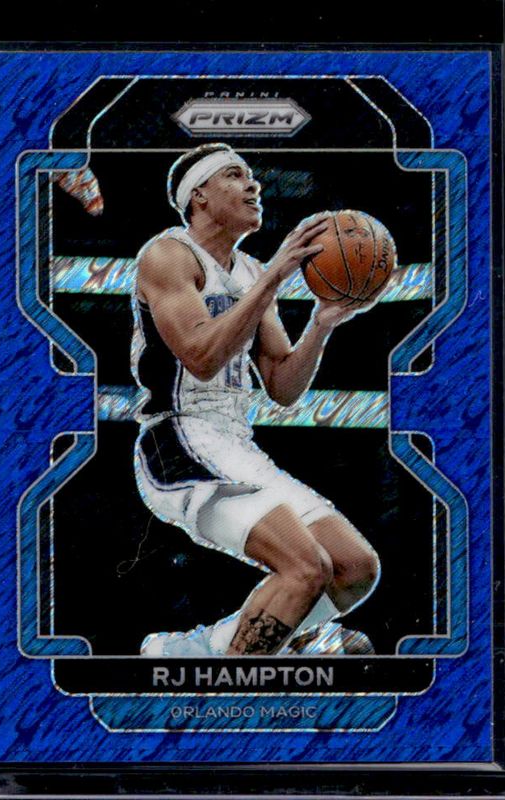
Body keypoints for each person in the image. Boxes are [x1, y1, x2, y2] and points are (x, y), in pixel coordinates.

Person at [131, 143, 381, 657]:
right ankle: (233, 683)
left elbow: (283, 388)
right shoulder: (168, 255)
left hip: (234, 443)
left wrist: (321, 324)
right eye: (234, 175)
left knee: (355, 567)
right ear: (199, 195)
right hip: (178, 440)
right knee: (305, 566)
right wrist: (274, 277)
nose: (254, 185)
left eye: (250, 175)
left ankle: (205, 649)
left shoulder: (249, 271)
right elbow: (200, 357)